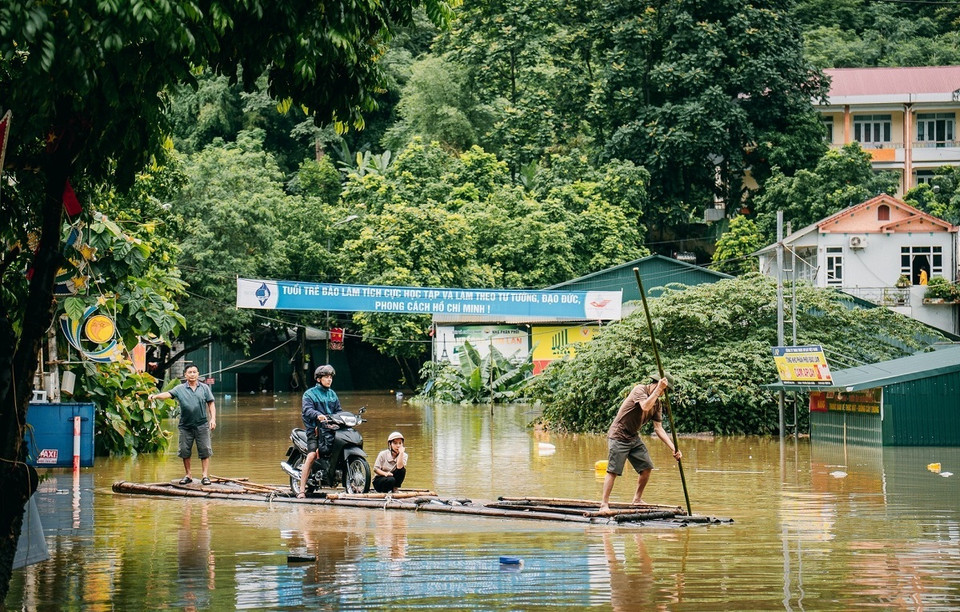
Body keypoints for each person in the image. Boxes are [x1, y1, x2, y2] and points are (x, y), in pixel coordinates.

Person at [599, 373, 681, 513]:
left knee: (646, 467)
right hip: (618, 435)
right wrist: (657, 390)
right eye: (663, 390)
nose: (662, 394)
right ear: (656, 383)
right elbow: (644, 406)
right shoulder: (639, 390)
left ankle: (637, 499)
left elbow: (658, 428)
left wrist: (674, 448)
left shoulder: (657, 403)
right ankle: (604, 505)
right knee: (613, 471)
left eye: (664, 391)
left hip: (633, 437)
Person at [149, 364, 216, 486]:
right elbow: (167, 395)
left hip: (202, 424)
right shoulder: (179, 388)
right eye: (189, 372)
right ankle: (188, 475)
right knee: (185, 450)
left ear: (198, 374)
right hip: (185, 426)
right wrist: (155, 396)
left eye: (194, 372)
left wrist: (213, 419)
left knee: (205, 449)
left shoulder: (205, 388)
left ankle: (205, 476)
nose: (192, 374)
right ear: (185, 375)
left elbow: (211, 404)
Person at [298, 364, 342, 498]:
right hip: (315, 431)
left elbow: (338, 411)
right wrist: (317, 415)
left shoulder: (332, 394)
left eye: (330, 377)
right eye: (326, 377)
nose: (329, 380)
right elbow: (307, 410)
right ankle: (301, 490)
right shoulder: (309, 394)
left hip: (330, 429)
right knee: (311, 455)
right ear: (318, 379)